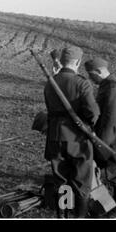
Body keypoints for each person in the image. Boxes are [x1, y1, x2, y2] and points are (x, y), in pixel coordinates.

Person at [44, 46, 100, 218]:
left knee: (61, 181)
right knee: (81, 183)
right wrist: (89, 126)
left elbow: (49, 109)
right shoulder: (82, 83)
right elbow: (94, 113)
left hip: (54, 137)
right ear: (77, 62)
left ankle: (63, 216)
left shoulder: (50, 82)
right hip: (78, 139)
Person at [84, 58, 116, 216]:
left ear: (99, 72)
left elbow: (111, 120)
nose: (90, 79)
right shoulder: (107, 86)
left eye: (91, 75)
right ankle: (106, 203)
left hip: (111, 138)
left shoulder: (112, 89)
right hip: (108, 136)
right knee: (110, 168)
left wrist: (102, 143)